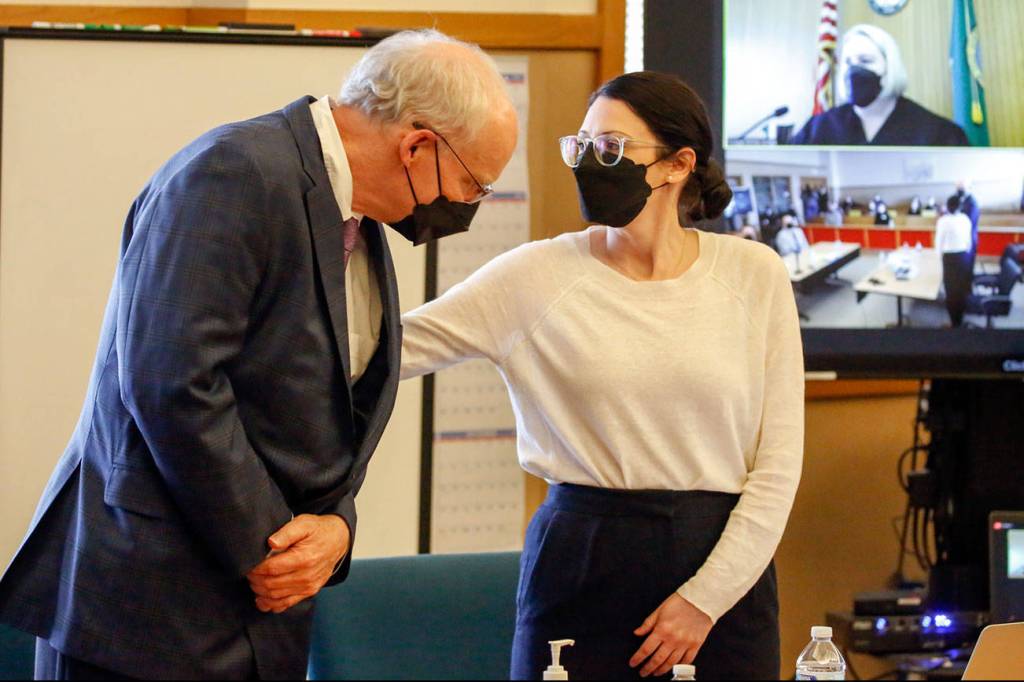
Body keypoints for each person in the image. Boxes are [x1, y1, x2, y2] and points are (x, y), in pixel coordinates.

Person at [0, 29, 517, 680]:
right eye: (473, 184)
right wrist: (272, 547)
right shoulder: (233, 171)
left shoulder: (356, 217)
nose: (466, 206)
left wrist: (336, 528)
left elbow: (327, 410)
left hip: (260, 610)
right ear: (416, 146)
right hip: (148, 610)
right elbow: (172, 384)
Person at [400, 71, 803, 680]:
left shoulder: (754, 273)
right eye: (582, 146)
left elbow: (778, 466)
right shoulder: (534, 276)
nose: (591, 163)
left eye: (612, 148)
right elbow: (389, 350)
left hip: (723, 573)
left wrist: (704, 600)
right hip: (582, 559)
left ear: (677, 165)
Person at [791, 25, 968, 146]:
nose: (854, 70)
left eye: (866, 60)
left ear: (890, 66)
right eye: (848, 62)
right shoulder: (819, 128)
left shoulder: (936, 131)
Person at [936, 194, 975, 326]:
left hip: (949, 258)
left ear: (947, 207)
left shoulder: (943, 221)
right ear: (960, 207)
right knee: (961, 288)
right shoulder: (965, 219)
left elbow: (939, 242)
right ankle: (960, 319)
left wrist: (938, 257)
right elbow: (969, 242)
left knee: (951, 290)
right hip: (964, 257)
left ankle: (954, 322)